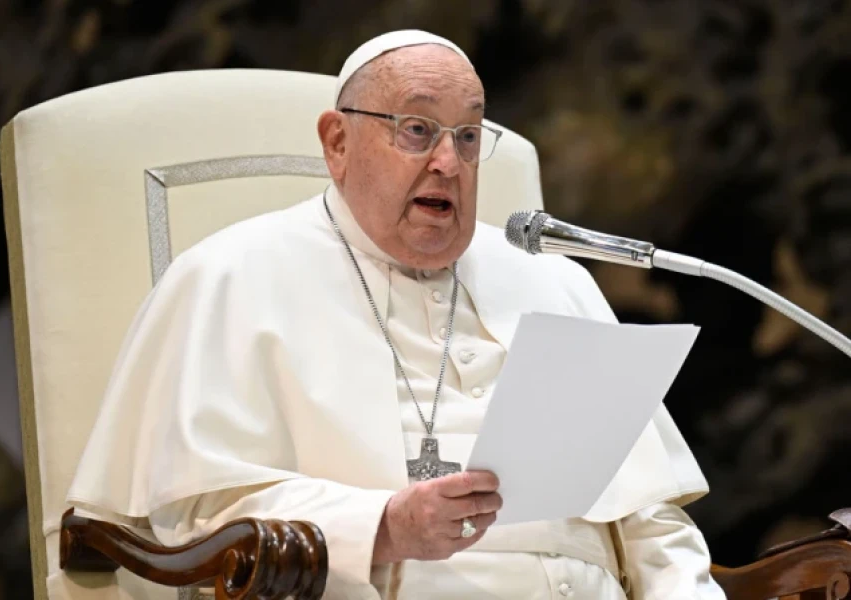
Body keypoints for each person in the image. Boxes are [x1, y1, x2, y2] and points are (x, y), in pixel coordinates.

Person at [68, 30, 726, 599]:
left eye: (468, 137)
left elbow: (650, 520)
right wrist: (384, 525)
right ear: (337, 142)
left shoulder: (555, 281)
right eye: (417, 130)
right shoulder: (232, 276)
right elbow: (204, 518)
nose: (448, 162)